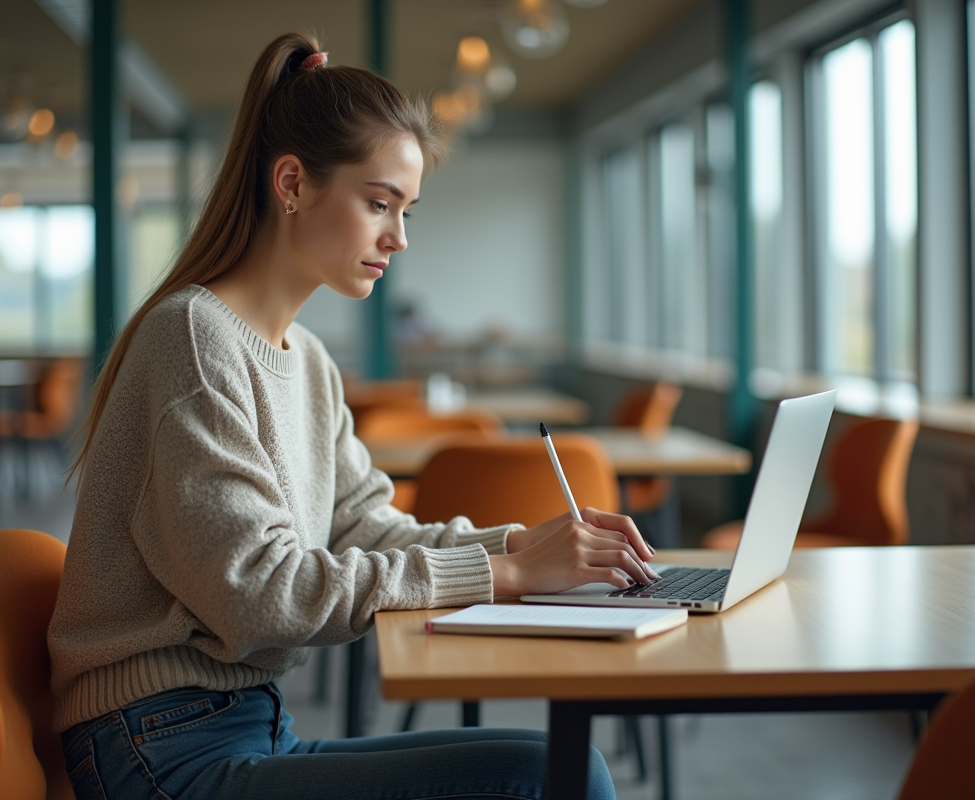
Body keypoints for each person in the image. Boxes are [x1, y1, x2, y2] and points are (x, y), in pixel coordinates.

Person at [49, 32, 658, 800]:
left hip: (248, 722)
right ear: (294, 182)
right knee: (548, 783)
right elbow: (259, 593)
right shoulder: (195, 337)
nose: (398, 239)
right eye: (378, 204)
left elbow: (365, 527)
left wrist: (521, 545)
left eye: (405, 211)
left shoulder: (304, 358)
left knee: (567, 770)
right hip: (158, 746)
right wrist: (501, 574)